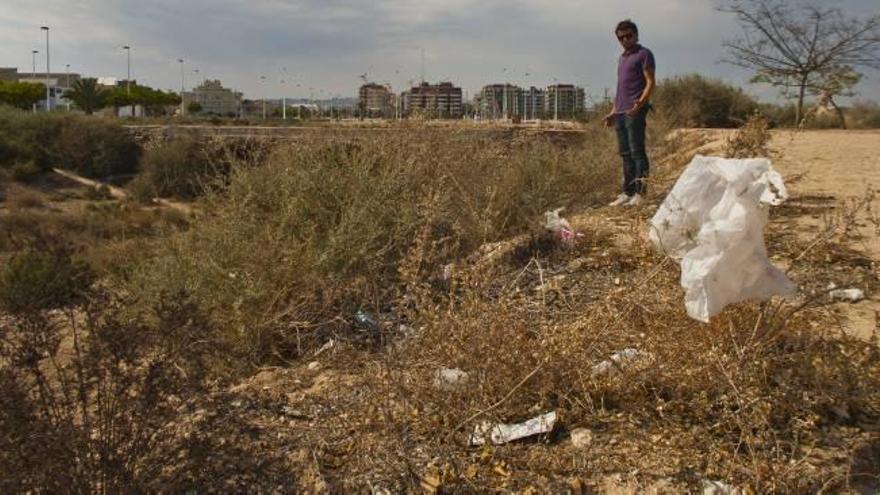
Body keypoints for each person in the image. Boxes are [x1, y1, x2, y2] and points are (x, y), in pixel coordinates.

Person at [604, 19, 656, 207]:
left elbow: (650, 82)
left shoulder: (644, 54)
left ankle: (641, 194)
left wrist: (640, 103)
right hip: (620, 112)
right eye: (621, 38)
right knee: (625, 154)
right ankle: (628, 192)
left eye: (628, 36)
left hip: (635, 111)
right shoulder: (622, 58)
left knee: (637, 152)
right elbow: (620, 89)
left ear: (636, 35)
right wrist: (613, 111)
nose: (625, 40)